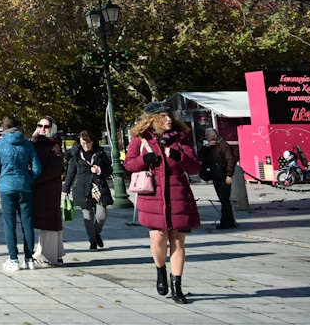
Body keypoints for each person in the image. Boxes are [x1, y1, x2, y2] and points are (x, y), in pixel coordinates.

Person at [124, 102, 201, 304]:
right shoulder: (140, 139)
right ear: (153, 119)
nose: (168, 119)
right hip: (153, 196)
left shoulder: (181, 138)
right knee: (158, 237)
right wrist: (144, 159)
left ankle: (177, 286)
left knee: (177, 240)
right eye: (163, 116)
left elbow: (194, 167)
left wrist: (179, 157)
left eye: (169, 116)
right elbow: (129, 164)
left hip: (177, 194)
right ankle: (160, 270)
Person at [0, 114, 42, 271]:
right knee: (27, 222)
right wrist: (27, 179)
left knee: (9, 223)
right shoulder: (27, 145)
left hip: (6, 186)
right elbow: (37, 168)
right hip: (24, 185)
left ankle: (13, 259)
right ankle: (29, 258)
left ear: (3, 129)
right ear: (18, 127)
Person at [62, 130, 113, 250]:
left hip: (98, 188)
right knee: (88, 216)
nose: (86, 146)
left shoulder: (100, 153)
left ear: (92, 142)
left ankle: (96, 233)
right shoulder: (76, 156)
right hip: (82, 188)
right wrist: (66, 189)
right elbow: (70, 174)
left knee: (102, 215)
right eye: (83, 143)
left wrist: (99, 170)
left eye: (88, 143)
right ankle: (92, 241)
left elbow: (109, 170)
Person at [30, 116, 65, 267]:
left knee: (50, 222)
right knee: (48, 221)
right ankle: (54, 254)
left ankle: (46, 254)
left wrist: (34, 179)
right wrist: (33, 140)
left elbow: (55, 169)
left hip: (49, 188)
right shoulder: (39, 143)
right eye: (40, 125)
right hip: (41, 188)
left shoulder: (54, 145)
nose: (43, 129)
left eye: (46, 126)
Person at [201, 128, 238, 229]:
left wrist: (229, 175)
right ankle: (230, 221)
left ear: (214, 135)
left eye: (208, 135)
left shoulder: (223, 145)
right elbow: (200, 155)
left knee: (224, 200)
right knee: (224, 200)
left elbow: (231, 160)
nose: (206, 137)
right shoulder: (211, 146)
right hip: (216, 175)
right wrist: (205, 147)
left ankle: (226, 222)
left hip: (223, 176)